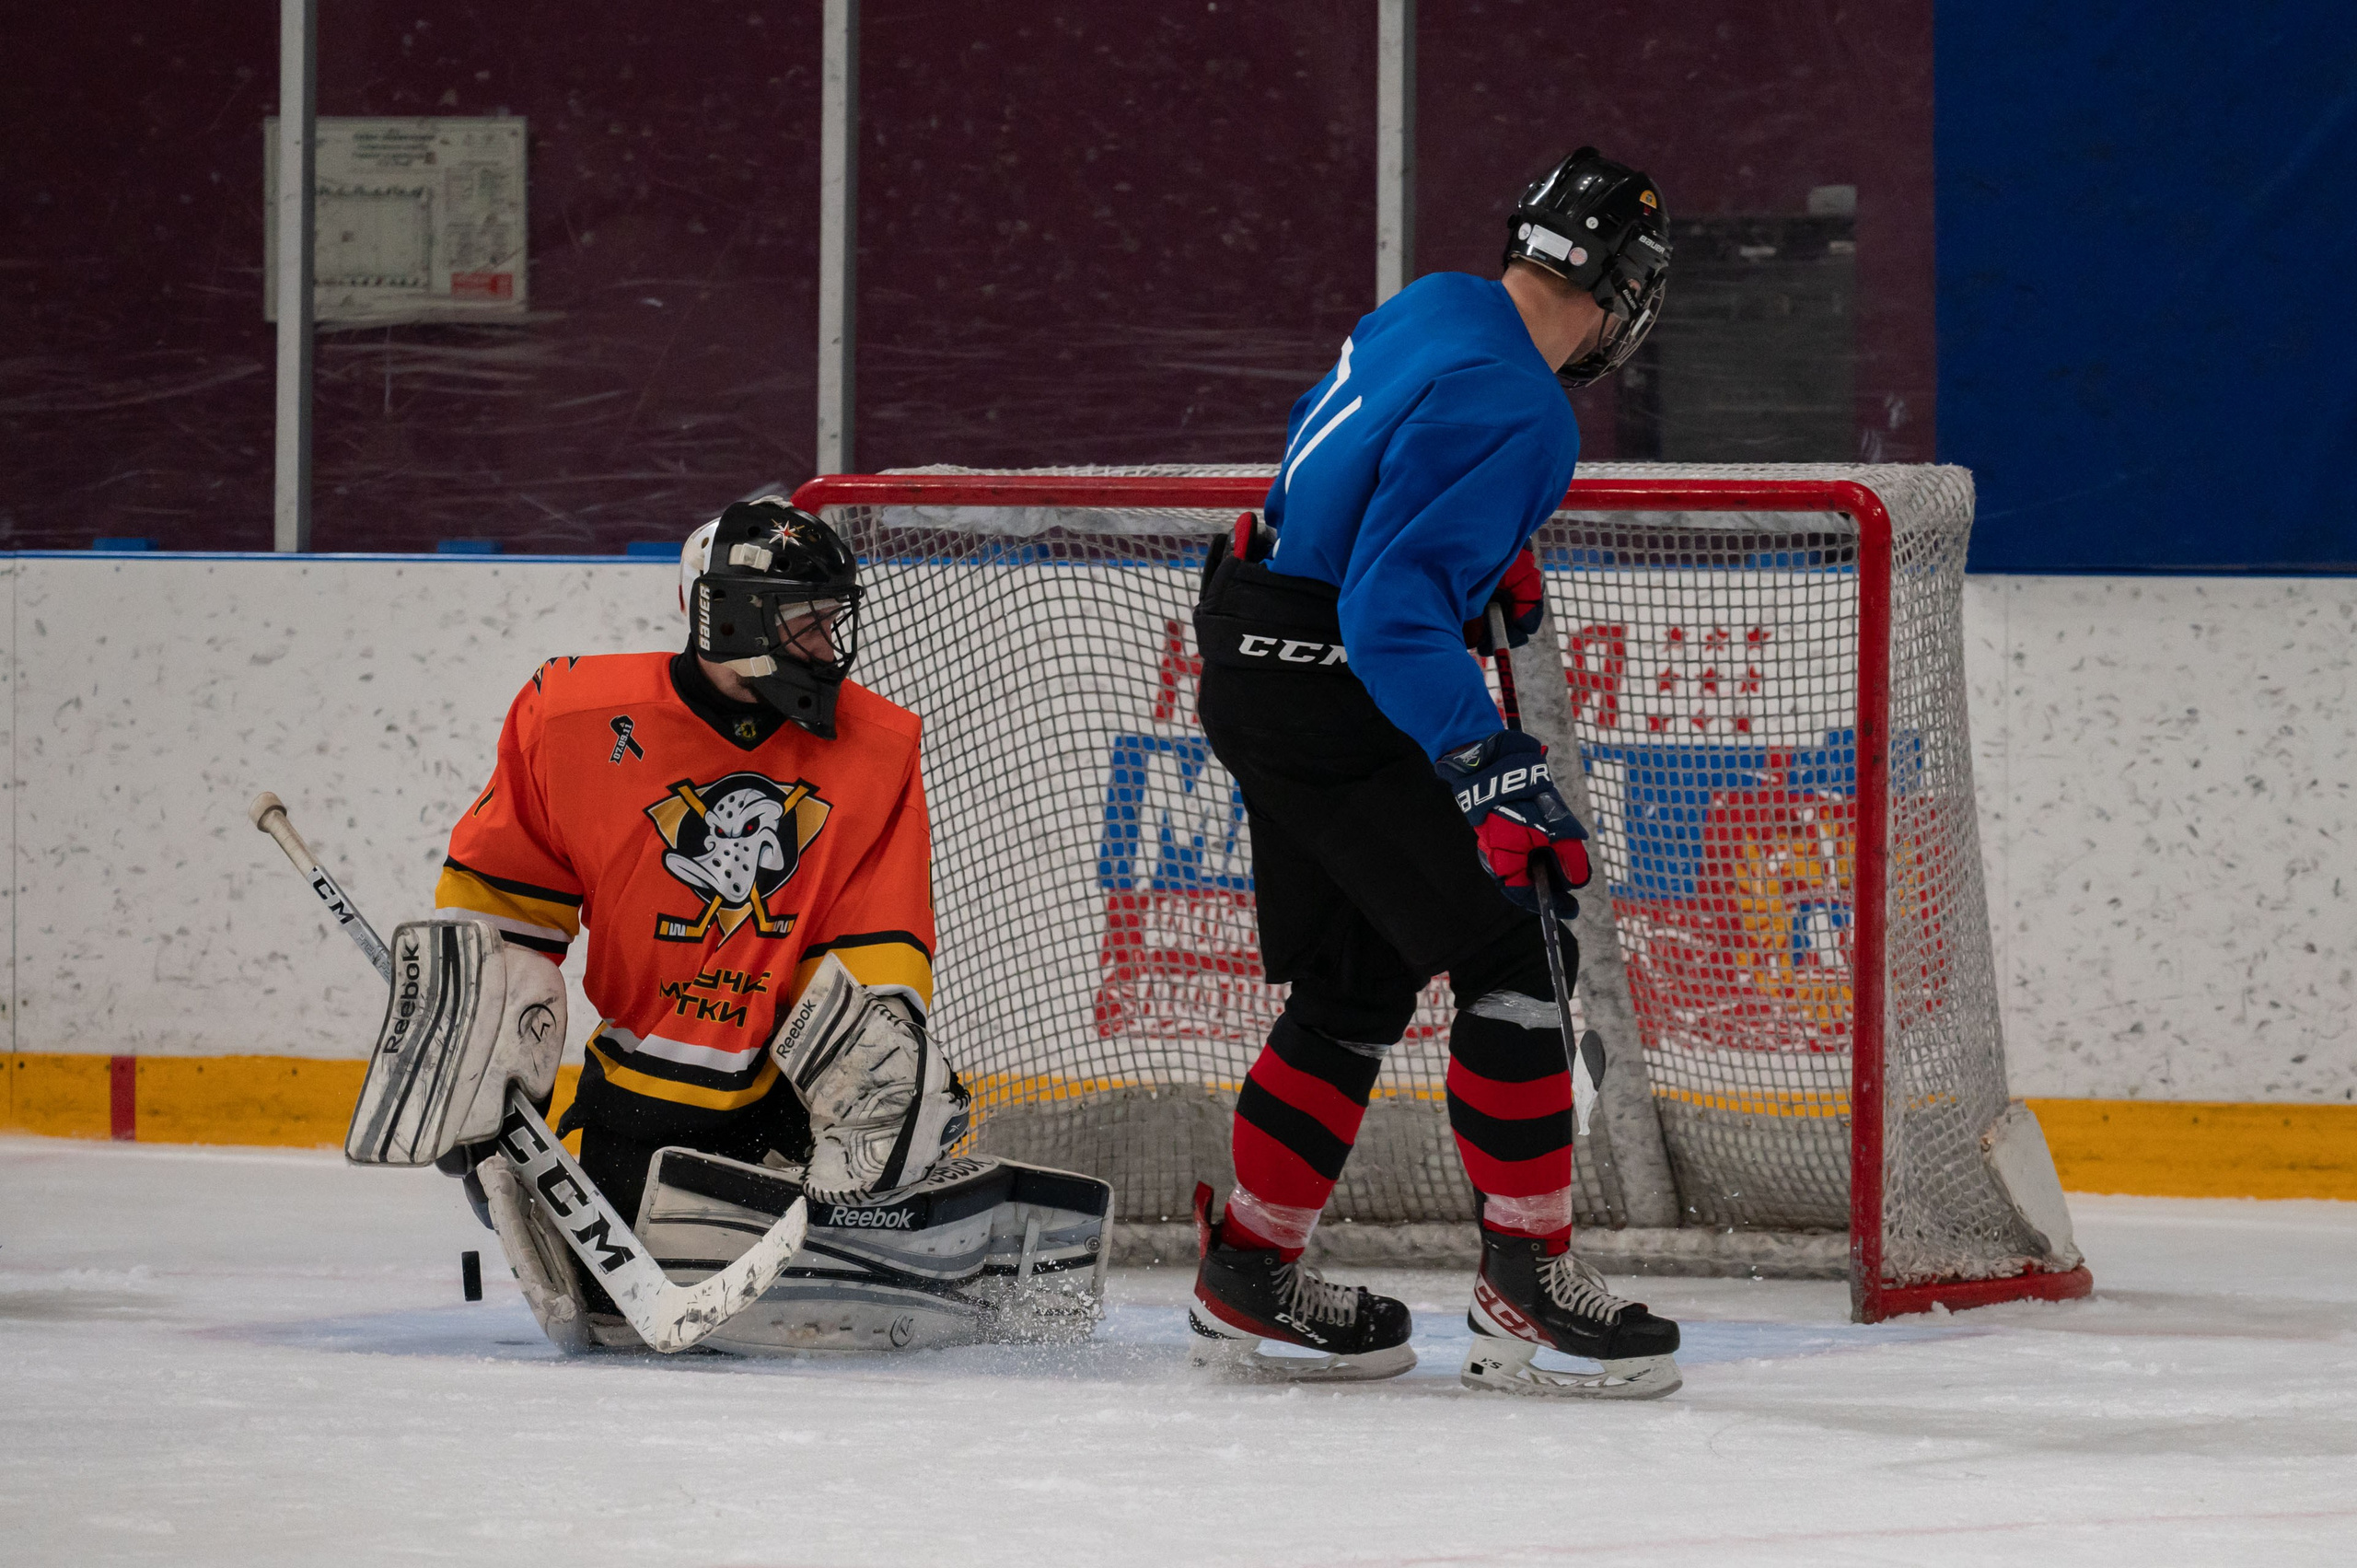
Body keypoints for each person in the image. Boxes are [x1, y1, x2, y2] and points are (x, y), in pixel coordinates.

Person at [1184, 149, 1683, 1398]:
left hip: (1257, 650)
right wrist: (1486, 769)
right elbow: (1392, 607)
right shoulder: (1527, 408)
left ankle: (1250, 1272)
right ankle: (1527, 1286)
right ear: (1618, 287)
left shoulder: (1435, 304)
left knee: (1356, 977)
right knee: (1521, 944)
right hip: (1336, 684)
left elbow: (1323, 468)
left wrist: (1471, 551)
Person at [432, 497, 1107, 1353]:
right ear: (732, 617)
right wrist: (483, 1082)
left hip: (789, 1118)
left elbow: (876, 950)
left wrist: (887, 1079)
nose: (830, 647)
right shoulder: (572, 720)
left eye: (834, 621)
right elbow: (500, 913)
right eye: (807, 624)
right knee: (615, 1316)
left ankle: (834, 1214)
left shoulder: (874, 747)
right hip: (632, 1117)